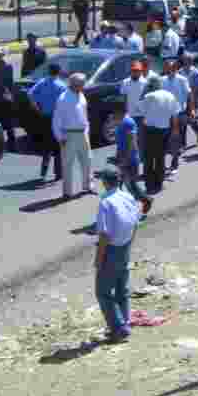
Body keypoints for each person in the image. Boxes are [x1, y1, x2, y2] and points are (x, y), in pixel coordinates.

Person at [93, 168, 141, 343]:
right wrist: (128, 244)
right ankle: (125, 322)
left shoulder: (106, 202)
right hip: (126, 246)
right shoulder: (128, 197)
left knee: (103, 292)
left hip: (111, 250)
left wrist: (98, 259)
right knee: (122, 289)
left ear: (105, 182)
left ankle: (118, 328)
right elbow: (136, 222)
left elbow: (104, 235)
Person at [136, 74, 180, 194]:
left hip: (150, 130)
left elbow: (139, 108)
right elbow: (175, 114)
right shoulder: (170, 96)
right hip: (164, 130)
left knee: (149, 158)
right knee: (160, 158)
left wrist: (144, 92)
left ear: (151, 85)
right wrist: (175, 130)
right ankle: (159, 183)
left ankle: (150, 184)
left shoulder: (149, 96)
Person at [53, 73, 93, 199]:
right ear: (73, 84)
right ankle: (67, 192)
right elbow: (56, 120)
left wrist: (87, 130)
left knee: (87, 161)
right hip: (68, 135)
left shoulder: (81, 96)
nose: (83, 86)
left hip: (83, 133)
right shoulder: (63, 98)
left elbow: (84, 115)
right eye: (81, 84)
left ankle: (88, 186)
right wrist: (60, 137)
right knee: (68, 164)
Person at [112, 102, 152, 217]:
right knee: (122, 184)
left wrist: (125, 159)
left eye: (114, 113)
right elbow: (120, 142)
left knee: (131, 186)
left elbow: (132, 143)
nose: (113, 116)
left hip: (130, 159)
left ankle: (146, 200)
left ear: (120, 112)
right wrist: (117, 157)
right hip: (123, 157)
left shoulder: (128, 122)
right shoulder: (121, 122)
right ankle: (120, 210)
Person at [28, 62, 67, 181]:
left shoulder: (42, 82)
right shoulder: (62, 86)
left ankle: (43, 172)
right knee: (58, 147)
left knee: (46, 146)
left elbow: (30, 94)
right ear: (59, 72)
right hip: (57, 118)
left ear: (49, 71)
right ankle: (58, 174)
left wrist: (37, 108)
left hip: (44, 117)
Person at [162, 59, 191, 174]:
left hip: (179, 114)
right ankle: (163, 165)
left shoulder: (182, 80)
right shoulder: (161, 80)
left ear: (175, 69)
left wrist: (192, 109)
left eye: (172, 68)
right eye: (167, 68)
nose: (169, 70)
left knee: (177, 141)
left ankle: (174, 164)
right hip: (165, 115)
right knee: (164, 141)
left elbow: (189, 95)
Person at [178, 53, 198, 147]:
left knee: (191, 120)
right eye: (185, 60)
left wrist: (197, 102)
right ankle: (182, 143)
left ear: (191, 61)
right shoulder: (180, 72)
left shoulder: (196, 73)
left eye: (188, 60)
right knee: (182, 123)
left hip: (193, 100)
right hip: (182, 100)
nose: (186, 62)